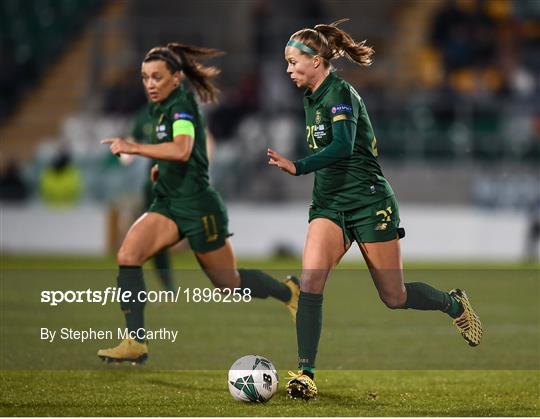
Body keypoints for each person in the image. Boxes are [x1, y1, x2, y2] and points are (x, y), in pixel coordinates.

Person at [267, 19, 483, 400]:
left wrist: (297, 166)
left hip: (369, 201)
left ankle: (453, 304)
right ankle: (305, 373)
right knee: (311, 281)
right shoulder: (311, 97)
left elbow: (343, 147)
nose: (288, 70)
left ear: (316, 60)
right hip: (329, 204)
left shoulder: (340, 94)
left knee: (394, 297)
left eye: (292, 62)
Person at [98, 42, 299, 364]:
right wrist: (158, 167)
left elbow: (181, 149)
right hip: (168, 203)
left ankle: (288, 291)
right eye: (145, 77)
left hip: (197, 205)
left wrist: (135, 148)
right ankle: (136, 342)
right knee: (128, 254)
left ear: (176, 78)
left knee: (227, 282)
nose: (150, 84)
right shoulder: (158, 107)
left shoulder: (181, 105)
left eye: (157, 77)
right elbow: (174, 154)